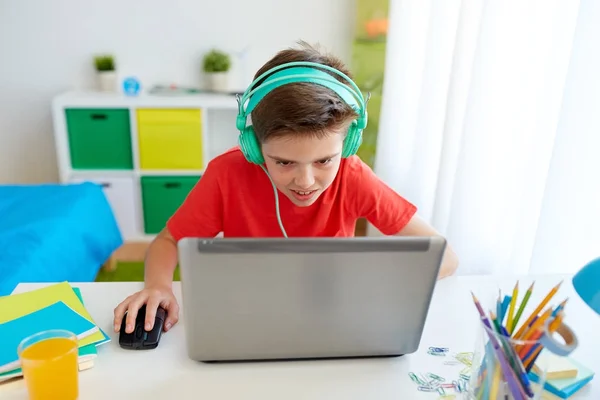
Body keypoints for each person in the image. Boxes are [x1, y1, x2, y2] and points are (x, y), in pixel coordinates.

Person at [113, 41, 459, 336]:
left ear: (349, 142)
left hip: (330, 315)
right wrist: (158, 287)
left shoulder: (353, 176)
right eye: (284, 162)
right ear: (254, 147)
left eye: (324, 161)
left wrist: (376, 288)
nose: (306, 182)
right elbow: (169, 241)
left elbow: (444, 257)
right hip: (244, 312)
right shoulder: (227, 174)